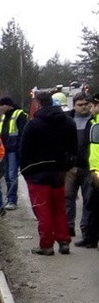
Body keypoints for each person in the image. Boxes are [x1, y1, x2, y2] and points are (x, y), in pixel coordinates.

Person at [19, 90, 78, 255]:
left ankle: (46, 245)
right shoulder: (68, 122)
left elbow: (24, 151)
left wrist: (26, 172)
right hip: (59, 172)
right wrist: (65, 166)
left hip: (37, 173)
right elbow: (73, 148)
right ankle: (64, 241)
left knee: (43, 210)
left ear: (38, 104)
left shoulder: (33, 124)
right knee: (59, 208)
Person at [67, 92, 94, 240]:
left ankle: (86, 231)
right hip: (70, 167)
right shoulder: (67, 121)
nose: (83, 107)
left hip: (88, 167)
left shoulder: (94, 121)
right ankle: (68, 228)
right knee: (68, 198)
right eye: (80, 105)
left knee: (88, 200)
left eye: (85, 104)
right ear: (74, 106)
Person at [76, 94, 99, 249]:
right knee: (92, 205)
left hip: (96, 170)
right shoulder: (93, 122)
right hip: (92, 169)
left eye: (92, 105)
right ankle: (90, 239)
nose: (89, 107)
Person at [0, 97, 28, 209]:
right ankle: (10, 199)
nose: (0, 107)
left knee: (12, 175)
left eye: (2, 105)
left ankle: (12, 200)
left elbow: (23, 133)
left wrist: (20, 149)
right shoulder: (4, 117)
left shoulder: (19, 114)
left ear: (8, 105)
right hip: (4, 149)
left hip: (13, 150)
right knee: (7, 176)